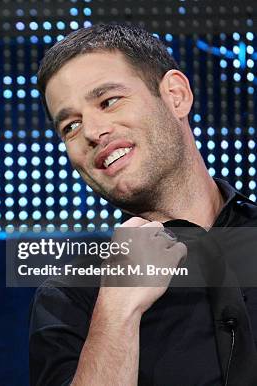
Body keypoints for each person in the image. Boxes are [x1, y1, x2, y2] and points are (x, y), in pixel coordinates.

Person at [29, 23, 257, 385]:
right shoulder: (70, 292)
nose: (90, 132)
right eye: (70, 126)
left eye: (108, 101)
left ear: (176, 95)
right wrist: (118, 310)